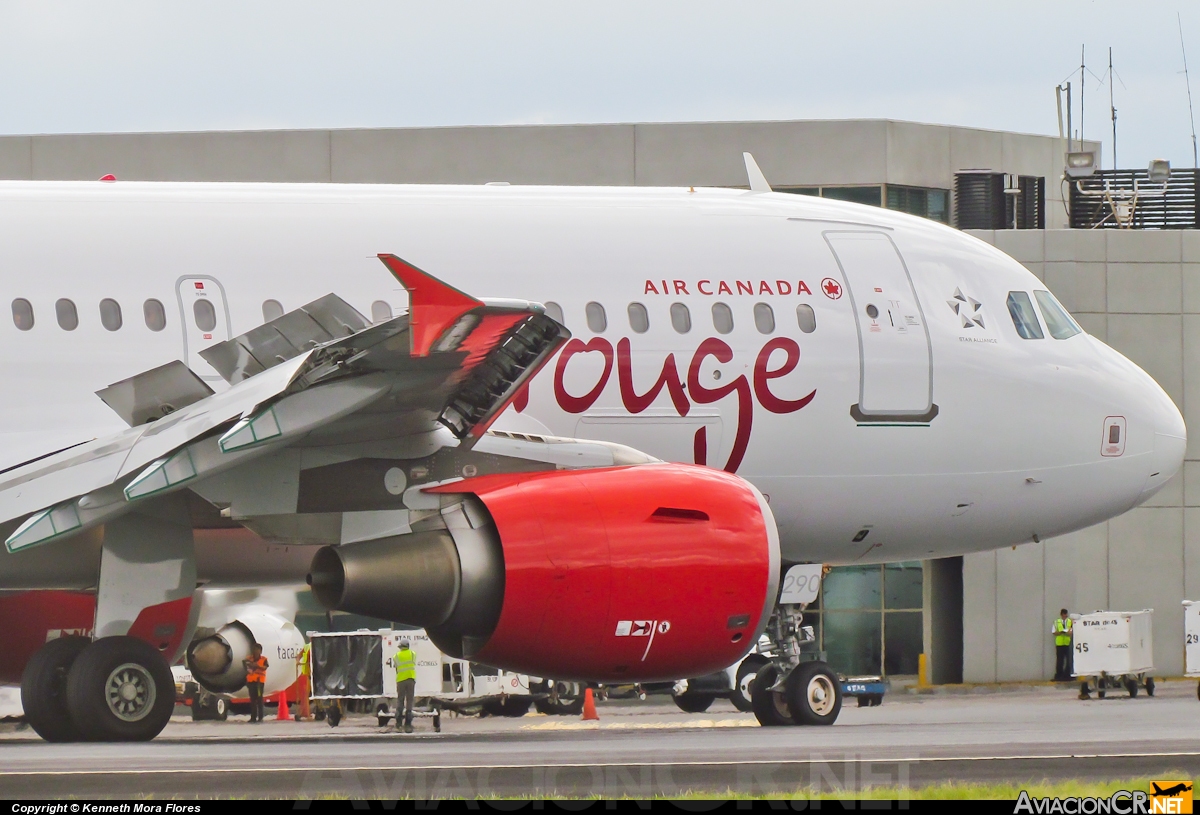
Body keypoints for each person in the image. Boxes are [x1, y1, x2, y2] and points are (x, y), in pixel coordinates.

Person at [243, 643, 269, 723]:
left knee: (259, 699)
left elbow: (265, 667)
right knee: (252, 700)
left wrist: (257, 666)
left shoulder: (264, 659)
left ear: (260, 651)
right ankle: (253, 717)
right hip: (251, 682)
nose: (256, 651)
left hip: (259, 682)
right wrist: (249, 666)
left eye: (257, 650)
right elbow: (244, 665)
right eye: (254, 650)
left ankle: (260, 717)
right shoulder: (249, 658)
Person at [395, 639, 416, 733]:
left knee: (400, 700)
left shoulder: (396, 656)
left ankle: (398, 723)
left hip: (400, 680)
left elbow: (396, 668)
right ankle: (408, 724)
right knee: (409, 701)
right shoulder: (412, 654)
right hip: (410, 679)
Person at [1052, 609, 1073, 681]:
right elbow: (1054, 632)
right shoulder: (1056, 622)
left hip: (1067, 643)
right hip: (1059, 644)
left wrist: (1068, 633)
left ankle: (1067, 675)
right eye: (1064, 615)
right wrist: (1060, 632)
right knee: (1060, 661)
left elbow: (1071, 632)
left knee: (1069, 660)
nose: (1065, 616)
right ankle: (1059, 675)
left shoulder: (1070, 622)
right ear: (1061, 615)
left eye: (1066, 614)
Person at [296, 640, 312, 721]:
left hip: (315, 672)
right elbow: (300, 655)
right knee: (305, 693)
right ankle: (304, 712)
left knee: (308, 693)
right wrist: (298, 661)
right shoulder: (307, 646)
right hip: (308, 672)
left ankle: (305, 712)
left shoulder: (320, 645)